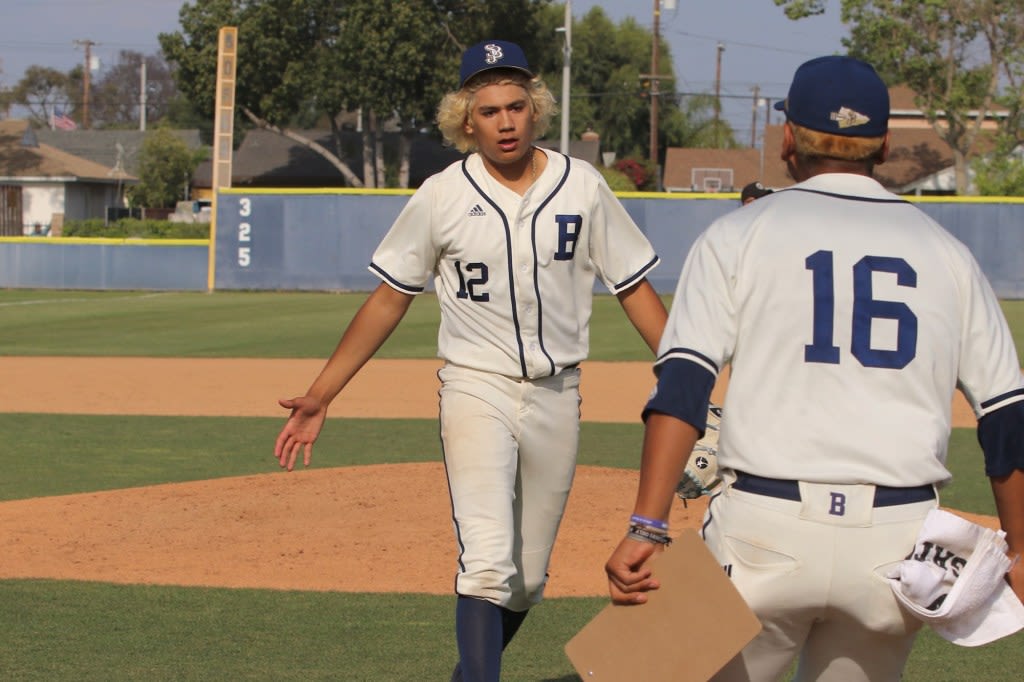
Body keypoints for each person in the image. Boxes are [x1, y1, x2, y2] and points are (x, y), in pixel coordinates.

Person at [604, 54, 1024, 681]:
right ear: (883, 142)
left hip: (759, 532)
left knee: (633, 667)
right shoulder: (950, 255)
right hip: (896, 547)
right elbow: (1006, 419)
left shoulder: (736, 235)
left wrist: (648, 524)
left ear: (788, 137)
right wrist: (1019, 546)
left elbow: (683, 389)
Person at [273, 39, 668, 682]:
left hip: (557, 393)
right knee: (486, 561)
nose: (505, 122)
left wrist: (689, 375)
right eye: (488, 111)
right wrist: (322, 394)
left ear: (535, 110)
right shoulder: (440, 195)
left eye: (516, 106)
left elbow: (635, 290)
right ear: (466, 120)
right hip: (474, 388)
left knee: (527, 579)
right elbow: (387, 300)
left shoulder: (583, 187)